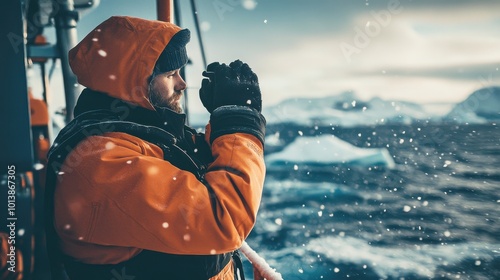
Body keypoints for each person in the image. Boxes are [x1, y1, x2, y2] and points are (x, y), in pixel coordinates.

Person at [44, 16, 266, 280]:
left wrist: (222, 119)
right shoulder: (101, 163)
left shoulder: (130, 134)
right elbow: (223, 219)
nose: (182, 84)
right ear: (132, 85)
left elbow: (189, 165)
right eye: (171, 74)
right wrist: (239, 122)